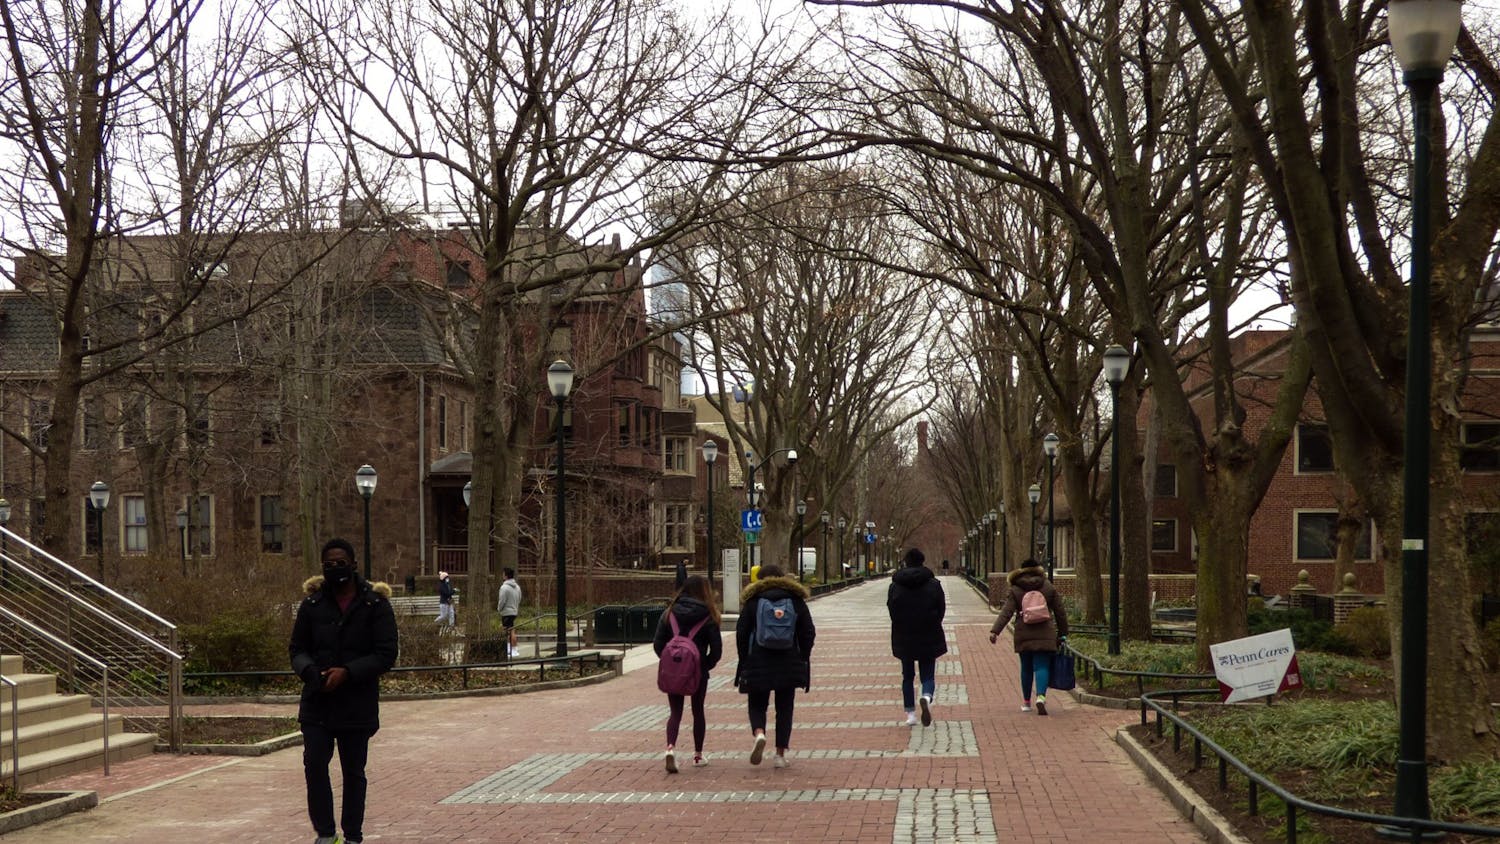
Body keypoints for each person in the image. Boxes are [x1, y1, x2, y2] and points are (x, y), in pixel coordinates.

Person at [290, 538, 399, 844]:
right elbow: (297, 649)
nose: (334, 569)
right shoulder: (311, 605)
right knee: (314, 763)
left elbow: (386, 653)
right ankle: (326, 834)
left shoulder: (375, 604)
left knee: (353, 772)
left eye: (340, 563)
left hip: (356, 704)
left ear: (353, 565)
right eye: (328, 564)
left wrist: (349, 672)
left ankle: (352, 835)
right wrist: (311, 672)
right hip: (317, 703)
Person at [735, 562, 815, 768]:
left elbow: (741, 633)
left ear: (760, 579)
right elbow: (808, 632)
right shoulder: (796, 600)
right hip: (789, 660)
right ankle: (780, 754)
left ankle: (760, 733)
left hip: (758, 659)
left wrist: (744, 658)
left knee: (757, 703)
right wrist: (802, 655)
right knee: (785, 707)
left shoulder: (753, 601)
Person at [652, 574, 723, 772]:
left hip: (674, 671)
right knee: (698, 711)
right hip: (697, 671)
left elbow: (658, 644)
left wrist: (670, 663)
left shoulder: (669, 613)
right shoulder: (709, 615)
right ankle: (698, 755)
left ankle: (670, 747)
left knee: (675, 712)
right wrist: (703, 666)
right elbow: (716, 651)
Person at [987, 557, 1068, 715]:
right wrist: (1063, 633)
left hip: (1024, 632)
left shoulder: (1016, 588)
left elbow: (1006, 611)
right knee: (1042, 666)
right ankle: (1041, 697)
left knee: (1026, 667)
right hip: (1045, 631)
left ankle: (1026, 702)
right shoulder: (1048, 586)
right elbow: (1060, 612)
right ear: (1038, 569)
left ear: (1021, 570)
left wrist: (995, 631)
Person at [887, 548, 946, 726]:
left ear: (905, 562)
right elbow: (941, 608)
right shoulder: (934, 584)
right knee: (928, 673)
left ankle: (910, 714)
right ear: (922, 561)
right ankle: (926, 697)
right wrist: (934, 622)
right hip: (928, 633)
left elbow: (892, 609)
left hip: (904, 635)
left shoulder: (895, 586)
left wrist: (900, 625)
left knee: (907, 675)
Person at [497, 568, 521, 658]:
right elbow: (519, 598)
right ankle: (512, 648)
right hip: (514, 610)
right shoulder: (517, 587)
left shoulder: (504, 588)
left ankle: (512, 649)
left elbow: (502, 600)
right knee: (511, 629)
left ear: (506, 576)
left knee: (508, 631)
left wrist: (499, 609)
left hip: (506, 612)